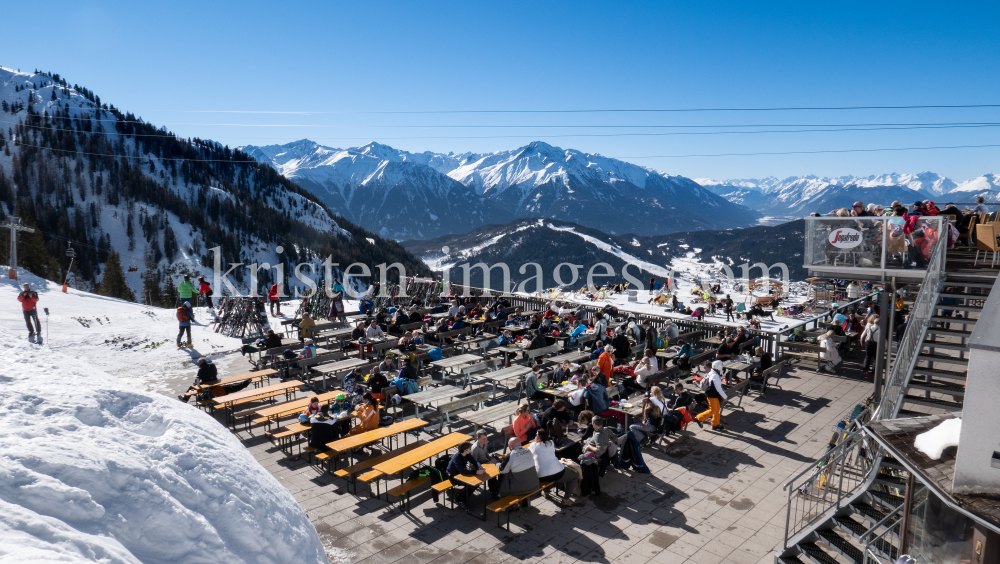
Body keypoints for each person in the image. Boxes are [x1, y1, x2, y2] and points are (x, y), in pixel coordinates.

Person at [528, 429, 578, 506]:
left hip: (541, 477)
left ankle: (546, 491)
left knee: (542, 467)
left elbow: (530, 456)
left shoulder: (532, 446)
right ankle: (566, 499)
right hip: (557, 474)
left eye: (536, 435)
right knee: (575, 476)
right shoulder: (551, 443)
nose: (535, 436)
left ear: (539, 436)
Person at [489, 437, 538, 501]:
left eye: (508, 445)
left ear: (511, 446)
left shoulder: (510, 456)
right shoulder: (528, 450)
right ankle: (526, 498)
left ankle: (498, 494)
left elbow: (502, 470)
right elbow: (518, 456)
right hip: (534, 485)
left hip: (521, 489)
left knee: (504, 473)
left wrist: (498, 462)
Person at [695, 360, 727, 430]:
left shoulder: (712, 373)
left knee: (716, 409)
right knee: (713, 410)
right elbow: (718, 388)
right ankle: (699, 418)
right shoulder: (715, 375)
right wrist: (725, 397)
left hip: (712, 395)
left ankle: (715, 424)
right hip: (713, 395)